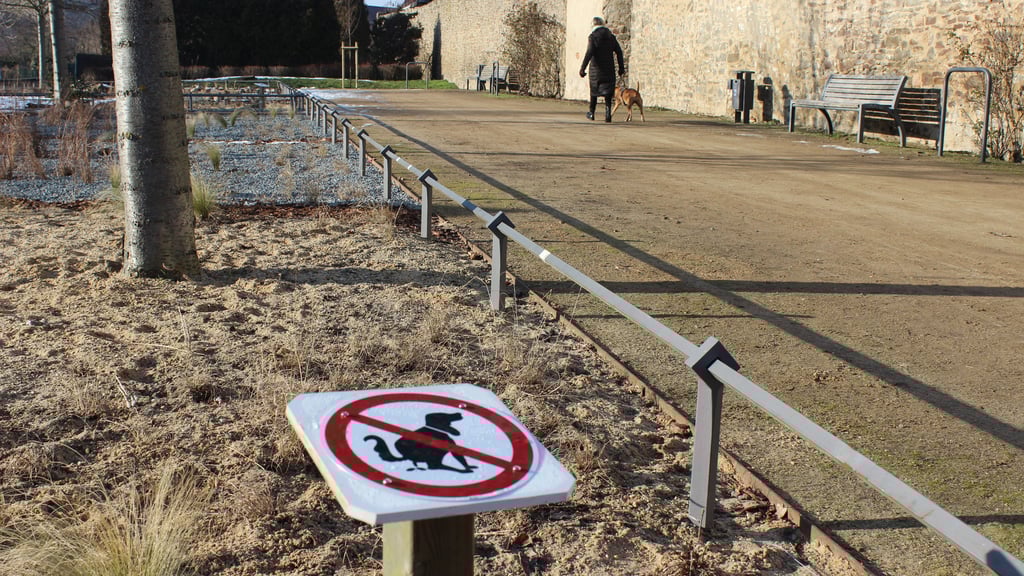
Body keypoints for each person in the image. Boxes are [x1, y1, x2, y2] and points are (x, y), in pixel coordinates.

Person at [579, 16, 624, 122]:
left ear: (593, 25)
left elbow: (589, 53)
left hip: (596, 69)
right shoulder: (611, 37)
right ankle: (608, 114)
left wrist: (582, 68)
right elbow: (619, 52)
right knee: (608, 93)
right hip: (609, 69)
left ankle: (591, 113)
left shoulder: (593, 37)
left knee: (594, 91)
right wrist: (621, 68)